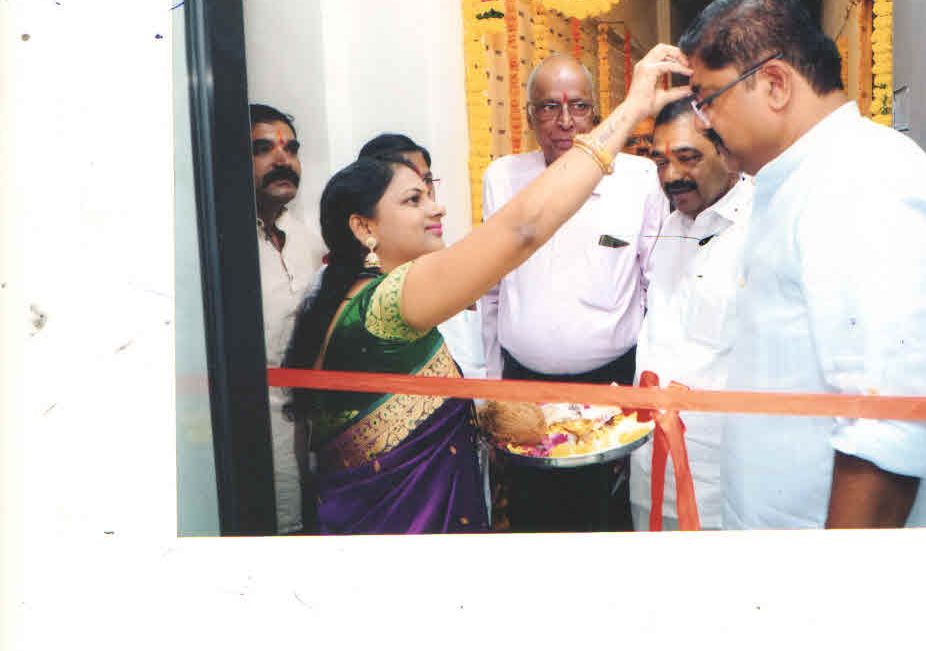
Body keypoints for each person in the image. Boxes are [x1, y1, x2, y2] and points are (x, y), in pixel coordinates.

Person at [285, 47, 683, 534]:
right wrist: (633, 108)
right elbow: (523, 231)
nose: (437, 209)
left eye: (430, 192)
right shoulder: (391, 302)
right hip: (404, 531)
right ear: (364, 228)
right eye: (413, 200)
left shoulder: (347, 295)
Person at [670, 0, 926, 530]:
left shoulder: (863, 180)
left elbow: (886, 436)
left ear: (774, 84)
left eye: (706, 100)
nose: (701, 122)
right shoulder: (801, 177)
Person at [479, 54, 667, 531]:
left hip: (612, 389)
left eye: (578, 106)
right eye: (549, 107)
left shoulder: (638, 179)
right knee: (534, 524)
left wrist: (644, 394)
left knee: (609, 525)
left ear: (596, 113)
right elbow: (491, 292)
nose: (565, 121)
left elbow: (656, 290)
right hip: (525, 391)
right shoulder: (503, 178)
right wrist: (494, 390)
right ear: (529, 116)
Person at [629, 99, 753, 531]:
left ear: (727, 151)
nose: (671, 176)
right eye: (661, 162)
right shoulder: (671, 226)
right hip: (649, 466)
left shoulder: (760, 228)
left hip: (721, 484)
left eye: (688, 158)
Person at [250, 103, 325, 533]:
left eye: (291, 149)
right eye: (263, 149)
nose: (283, 161)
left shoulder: (305, 238)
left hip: (312, 418)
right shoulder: (222, 241)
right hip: (254, 422)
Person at [358, 132, 483, 377]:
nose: (436, 208)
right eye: (413, 197)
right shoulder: (357, 292)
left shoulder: (458, 265)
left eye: (428, 184)